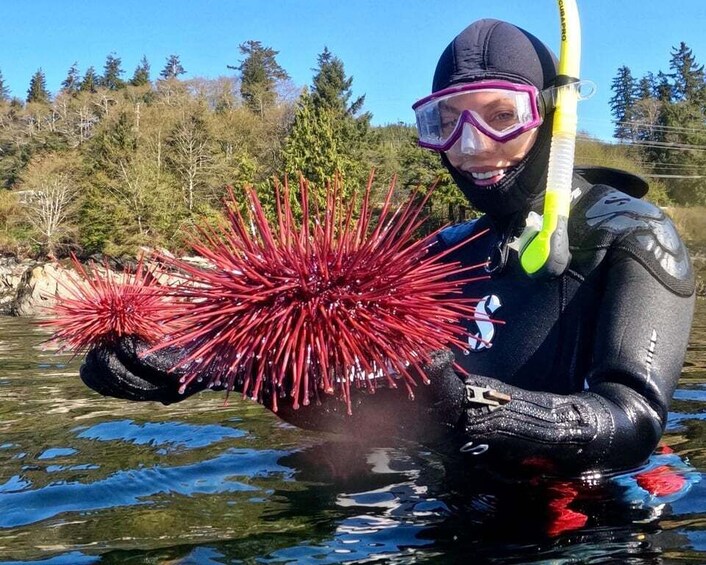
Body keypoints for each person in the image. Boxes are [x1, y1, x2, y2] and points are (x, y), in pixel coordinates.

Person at [80, 19, 695, 478]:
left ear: (552, 117)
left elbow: (634, 421)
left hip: (581, 509)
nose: (472, 146)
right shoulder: (438, 252)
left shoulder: (633, 235)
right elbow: (361, 413)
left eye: (500, 115)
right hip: (444, 493)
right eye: (445, 122)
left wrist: (471, 403)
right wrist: (215, 365)